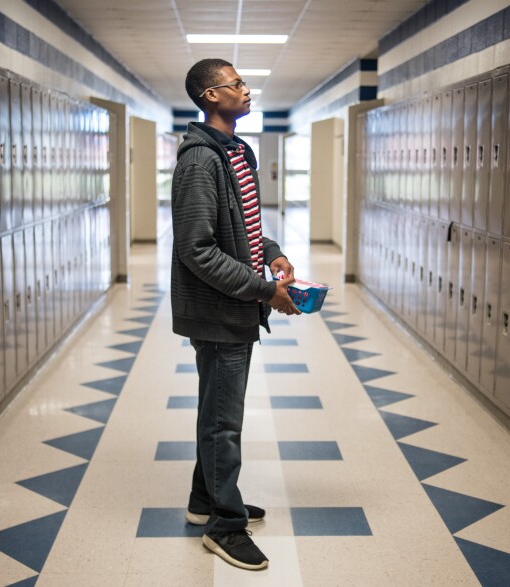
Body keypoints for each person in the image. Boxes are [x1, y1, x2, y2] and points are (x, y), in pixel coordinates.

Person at [170, 58, 301, 571]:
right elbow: (197, 250)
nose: (247, 89)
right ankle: (226, 525)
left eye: (244, 81)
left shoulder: (238, 151)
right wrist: (264, 291)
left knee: (218, 409)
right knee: (225, 421)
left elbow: (241, 225)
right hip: (218, 309)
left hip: (235, 303)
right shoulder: (199, 161)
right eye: (236, 84)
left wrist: (271, 251)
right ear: (210, 97)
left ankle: (205, 500)